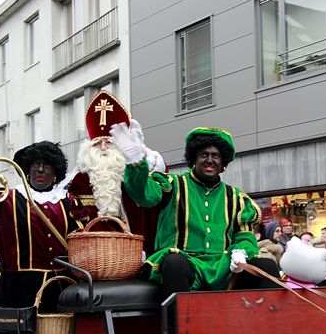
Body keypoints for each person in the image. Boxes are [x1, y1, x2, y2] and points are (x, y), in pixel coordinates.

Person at [111, 125, 281, 298]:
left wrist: (241, 251)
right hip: (185, 266)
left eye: (215, 156)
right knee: (174, 262)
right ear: (194, 159)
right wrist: (135, 163)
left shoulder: (236, 197)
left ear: (223, 163)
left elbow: (245, 236)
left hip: (224, 268)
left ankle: (265, 324)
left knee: (267, 266)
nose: (209, 160)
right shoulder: (173, 184)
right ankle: (177, 324)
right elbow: (144, 195)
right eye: (204, 155)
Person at [0, 141, 83, 313]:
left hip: (62, 288)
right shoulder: (8, 199)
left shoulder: (69, 202)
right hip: (19, 289)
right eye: (36, 165)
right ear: (27, 170)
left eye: (47, 165)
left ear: (55, 173)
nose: (41, 169)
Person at [67, 90, 165, 254]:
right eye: (98, 143)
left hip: (134, 250)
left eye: (109, 142)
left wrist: (141, 157)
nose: (104, 148)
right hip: (93, 256)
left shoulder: (136, 171)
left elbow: (153, 193)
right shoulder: (79, 180)